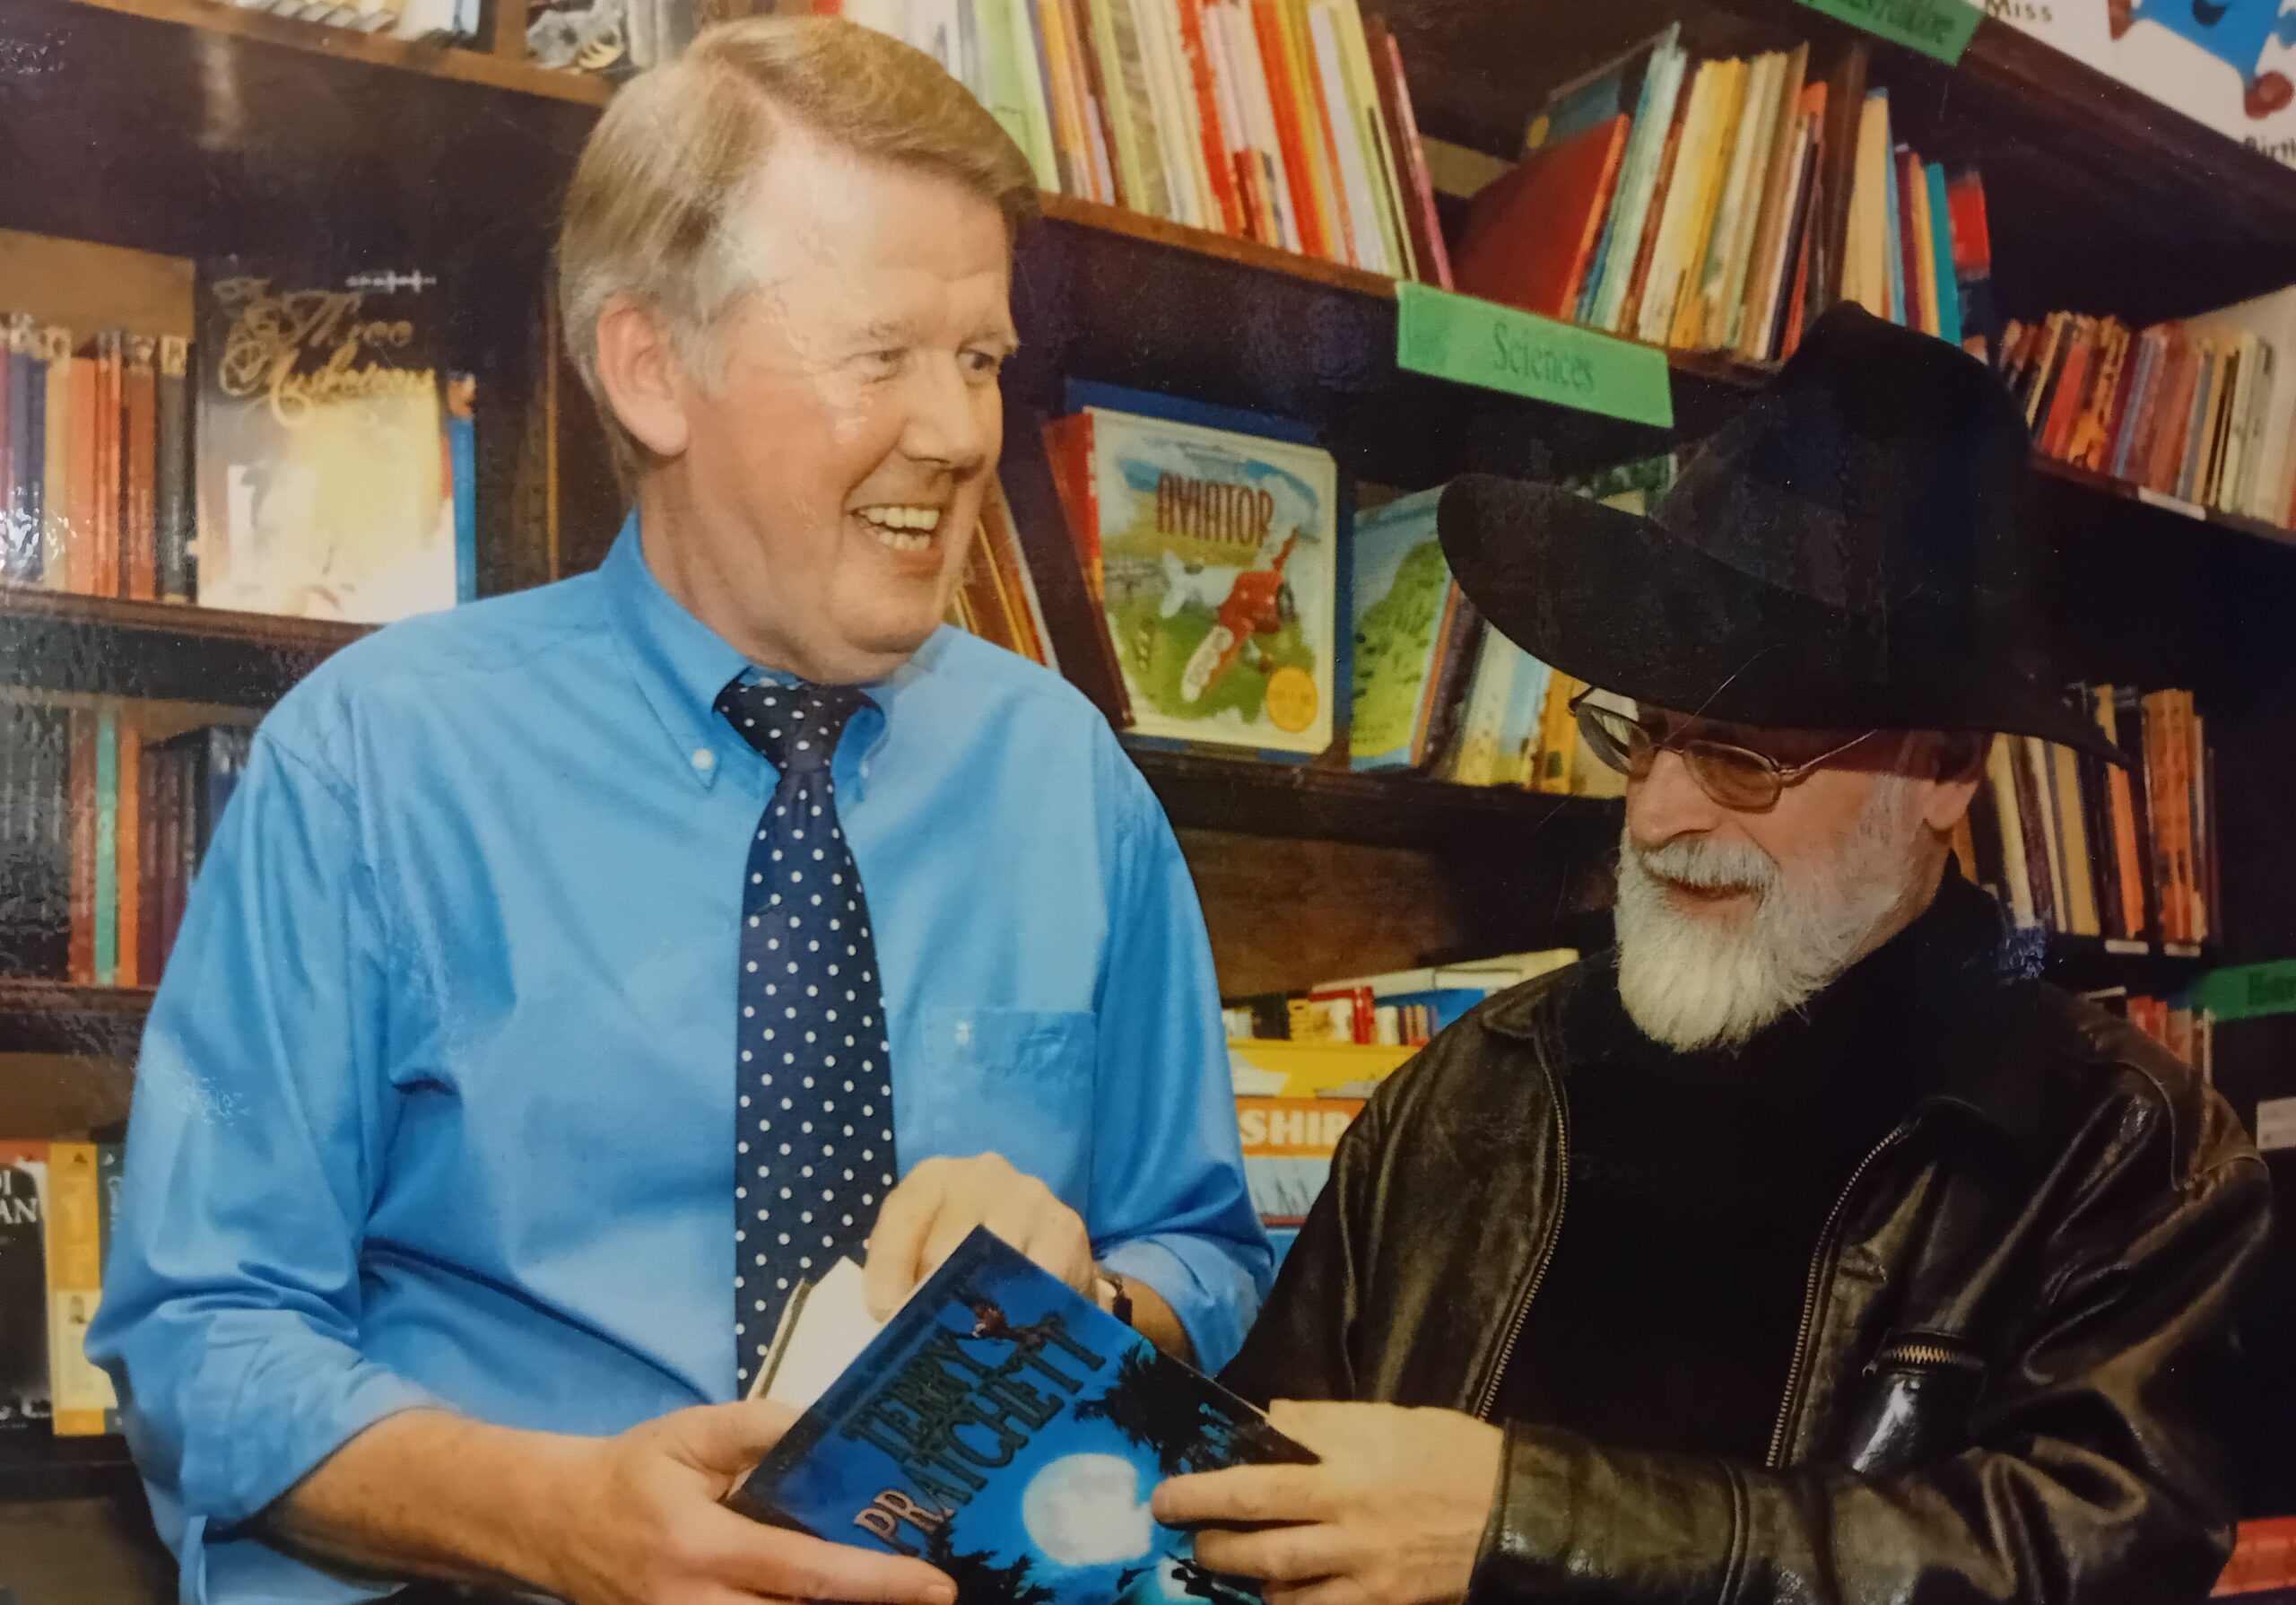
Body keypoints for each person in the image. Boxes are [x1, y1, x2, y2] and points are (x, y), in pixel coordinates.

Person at [90, 19, 1267, 1605]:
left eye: (980, 357)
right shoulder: (370, 766)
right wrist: (550, 1517)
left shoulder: (1078, 788)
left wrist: (1098, 1302)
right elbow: (199, 1335)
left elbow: (1204, 1241)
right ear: (653, 367)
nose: (961, 430)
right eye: (881, 353)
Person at [1153, 305, 2272, 1605]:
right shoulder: (1465, 1103)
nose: (1658, 812)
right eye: (1646, 733)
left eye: (1743, 755)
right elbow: (1242, 1510)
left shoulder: (2127, 1156)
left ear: (1947, 768)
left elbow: (2075, 1554)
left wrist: (1518, 1518)